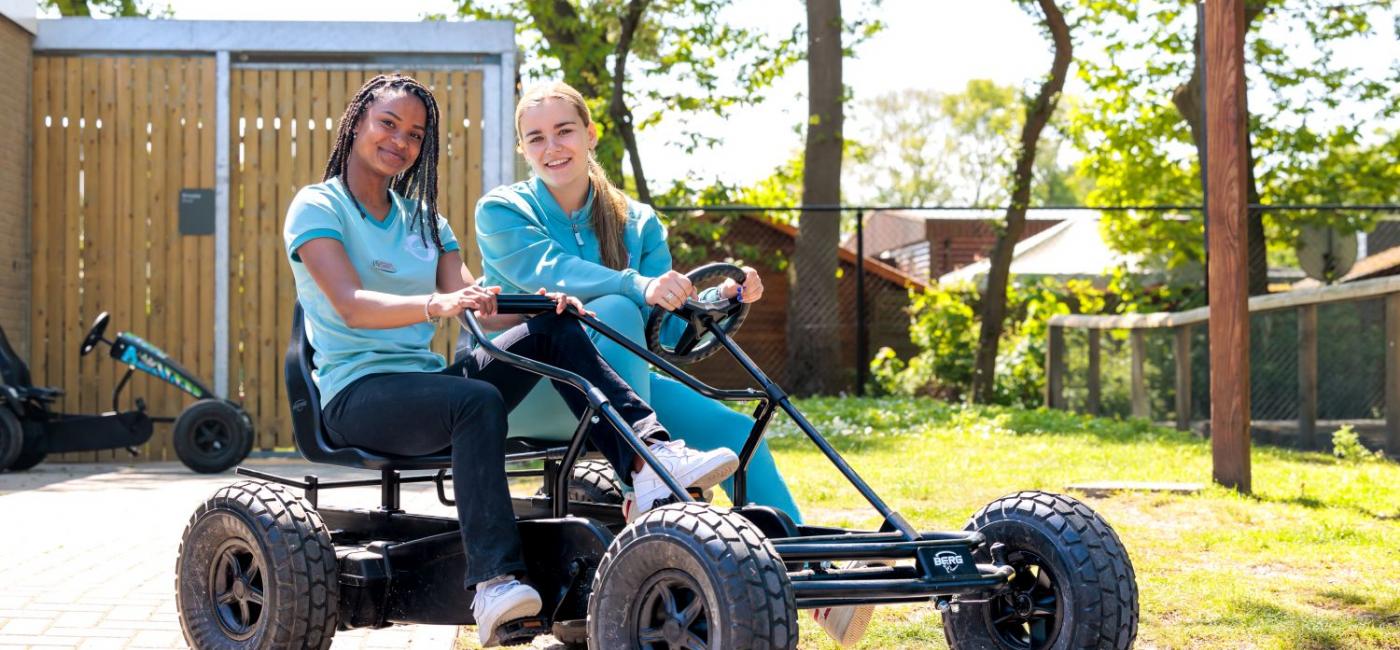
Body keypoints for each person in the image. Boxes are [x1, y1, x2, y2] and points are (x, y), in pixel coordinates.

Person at [282, 74, 738, 648]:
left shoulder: (427, 221)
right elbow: (349, 305)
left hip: (429, 390)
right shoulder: (317, 206)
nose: (401, 141)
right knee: (474, 401)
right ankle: (494, 579)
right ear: (357, 125)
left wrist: (541, 310)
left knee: (553, 327)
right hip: (359, 394)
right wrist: (436, 302)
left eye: (416, 134)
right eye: (388, 124)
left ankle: (647, 463)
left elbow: (480, 314)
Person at [473, 81, 876, 647]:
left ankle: (811, 583)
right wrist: (637, 285)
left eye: (564, 131)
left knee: (737, 433)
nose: (551, 147)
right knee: (611, 304)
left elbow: (674, 327)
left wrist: (722, 301)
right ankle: (644, 479)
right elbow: (551, 269)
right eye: (535, 138)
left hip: (622, 386)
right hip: (542, 386)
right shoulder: (503, 211)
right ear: (523, 148)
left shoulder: (636, 221)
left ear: (590, 134)